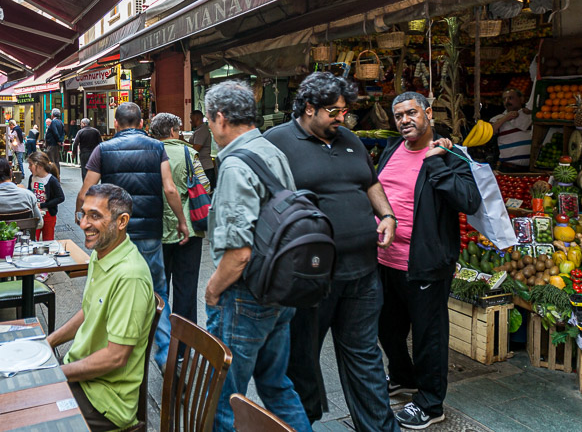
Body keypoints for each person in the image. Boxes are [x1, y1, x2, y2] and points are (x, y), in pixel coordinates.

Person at [263, 71, 398, 431]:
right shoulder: (274, 143)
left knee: (366, 356)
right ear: (309, 108)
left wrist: (386, 215)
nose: (342, 119)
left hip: (364, 272)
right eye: (335, 112)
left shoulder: (350, 140)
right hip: (310, 277)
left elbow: (370, 182)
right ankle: (300, 424)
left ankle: (379, 428)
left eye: (345, 112)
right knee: (301, 359)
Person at [202, 81, 312, 432]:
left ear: (220, 119)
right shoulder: (270, 150)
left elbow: (239, 253)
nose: (209, 128)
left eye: (208, 121)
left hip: (246, 297)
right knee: (276, 385)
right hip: (279, 289)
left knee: (224, 397)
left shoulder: (235, 166)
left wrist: (213, 289)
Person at [378, 92, 480, 429]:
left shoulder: (450, 154)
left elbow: (469, 200)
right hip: (385, 260)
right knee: (388, 329)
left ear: (428, 113)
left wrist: (436, 161)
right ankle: (404, 376)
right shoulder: (391, 149)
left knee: (428, 335)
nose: (405, 120)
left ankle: (430, 402)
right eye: (398, 116)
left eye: (411, 113)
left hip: (426, 261)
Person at [75, 101, 190, 368]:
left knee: (107, 290)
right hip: (150, 232)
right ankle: (167, 360)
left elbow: (86, 191)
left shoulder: (103, 149)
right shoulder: (157, 147)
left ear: (116, 123)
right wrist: (182, 222)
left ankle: (103, 355)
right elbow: (170, 189)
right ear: (141, 123)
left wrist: (83, 217)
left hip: (115, 236)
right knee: (158, 292)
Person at [47, 184, 155, 431]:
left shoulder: (130, 276)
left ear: (122, 221)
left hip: (105, 401)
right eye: (83, 214)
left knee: (30, 412)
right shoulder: (101, 252)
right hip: (82, 373)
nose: (84, 224)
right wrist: (49, 342)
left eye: (95, 216)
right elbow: (89, 311)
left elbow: (116, 357)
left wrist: (56, 375)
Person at [150, 112, 209, 326]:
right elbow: (205, 186)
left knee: (157, 287)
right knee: (186, 286)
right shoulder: (188, 153)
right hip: (189, 230)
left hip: (156, 230)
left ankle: (160, 333)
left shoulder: (149, 153)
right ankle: (182, 346)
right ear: (174, 131)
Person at [490, 88, 532, 172]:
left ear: (521, 99)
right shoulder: (497, 118)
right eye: (504, 99)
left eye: (510, 98)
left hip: (531, 168)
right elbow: (488, 132)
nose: (507, 101)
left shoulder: (530, 116)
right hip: (508, 168)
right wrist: (506, 118)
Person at [27, 150, 64, 242]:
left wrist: (43, 205)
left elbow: (60, 197)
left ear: (39, 166)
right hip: (35, 213)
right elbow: (29, 191)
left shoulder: (51, 180)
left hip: (48, 215)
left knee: (48, 241)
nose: (29, 167)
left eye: (30, 164)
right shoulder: (32, 178)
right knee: (33, 239)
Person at [189, 109, 216, 186]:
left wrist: (182, 141)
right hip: (202, 167)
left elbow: (196, 148)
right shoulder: (198, 130)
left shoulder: (202, 130)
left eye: (192, 119)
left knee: (205, 195)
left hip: (205, 168)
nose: (190, 121)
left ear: (197, 118)